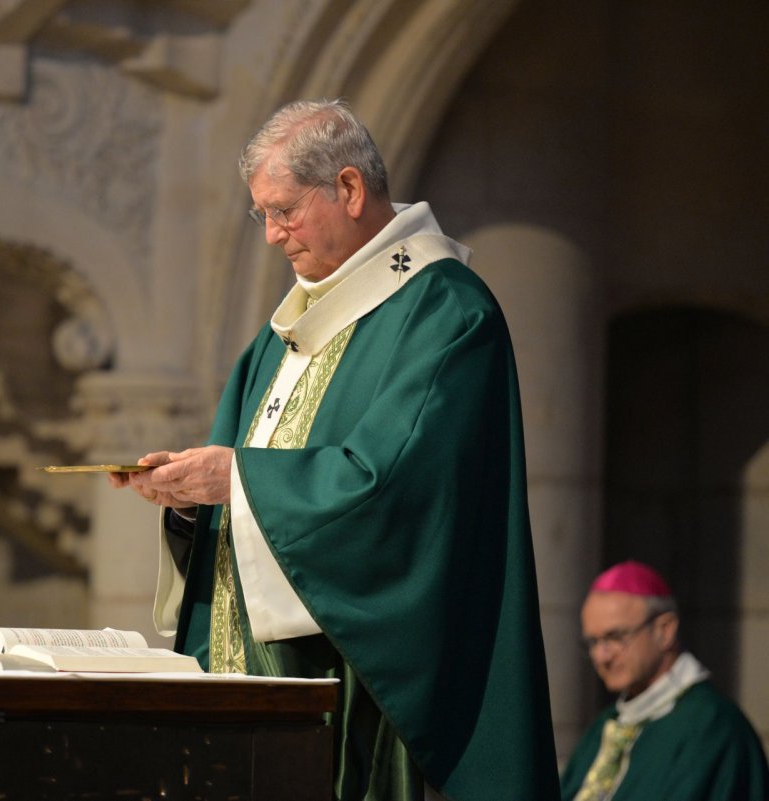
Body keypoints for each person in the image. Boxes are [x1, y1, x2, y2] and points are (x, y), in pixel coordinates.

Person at [109, 99, 558, 800]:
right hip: (249, 694)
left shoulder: (444, 312)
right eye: (260, 215)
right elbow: (241, 479)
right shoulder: (281, 335)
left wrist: (240, 482)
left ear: (349, 189)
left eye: (282, 210)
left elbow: (398, 493)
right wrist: (194, 503)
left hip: (353, 701)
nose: (271, 236)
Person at [561, 561, 768, 801]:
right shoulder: (605, 727)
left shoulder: (713, 727)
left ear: (665, 630)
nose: (601, 656)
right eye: (593, 642)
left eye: (615, 637)